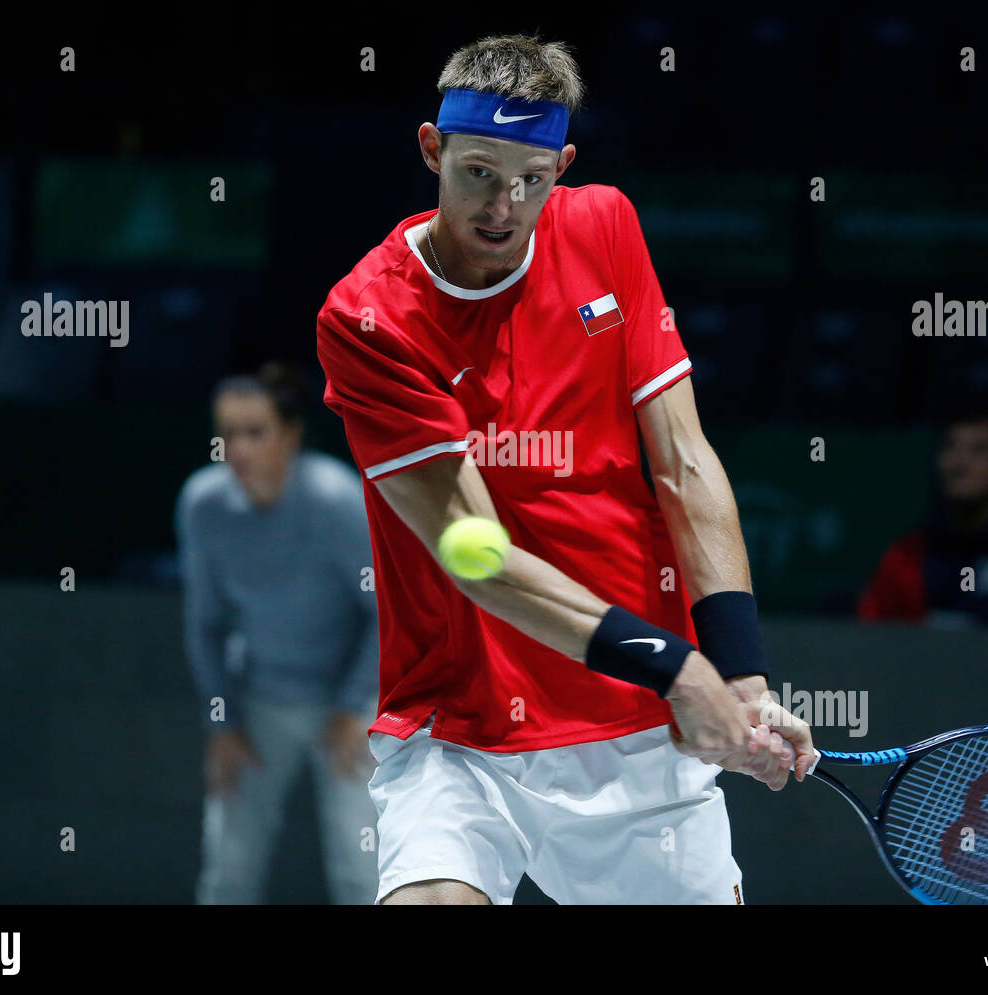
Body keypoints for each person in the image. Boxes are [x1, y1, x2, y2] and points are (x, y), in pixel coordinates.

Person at [315, 34, 815, 907]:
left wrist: (740, 675)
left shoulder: (604, 226)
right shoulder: (370, 318)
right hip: (459, 727)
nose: (504, 206)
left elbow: (686, 463)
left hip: (631, 727)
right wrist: (681, 668)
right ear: (431, 148)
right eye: (478, 171)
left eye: (532, 177)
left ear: (564, 164)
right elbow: (474, 552)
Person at [175, 361, 380, 904]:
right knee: (227, 873)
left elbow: (386, 611)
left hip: (352, 708)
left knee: (364, 875)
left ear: (291, 436)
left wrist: (355, 708)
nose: (237, 448)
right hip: (256, 704)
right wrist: (220, 721)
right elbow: (205, 624)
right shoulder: (202, 504)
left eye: (255, 432)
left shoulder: (338, 500)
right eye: (227, 434)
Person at [859, 409, 988, 626]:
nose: (959, 464)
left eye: (979, 450)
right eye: (950, 447)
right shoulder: (909, 552)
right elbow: (874, 635)